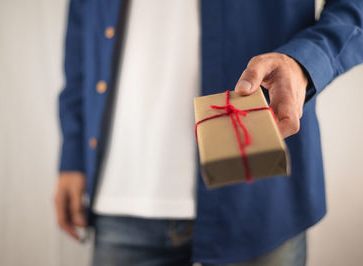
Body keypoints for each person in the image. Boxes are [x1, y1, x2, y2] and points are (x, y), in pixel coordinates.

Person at [54, 0, 363, 265]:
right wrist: (74, 154)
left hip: (262, 198)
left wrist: (304, 62)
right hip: (121, 189)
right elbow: (82, 32)